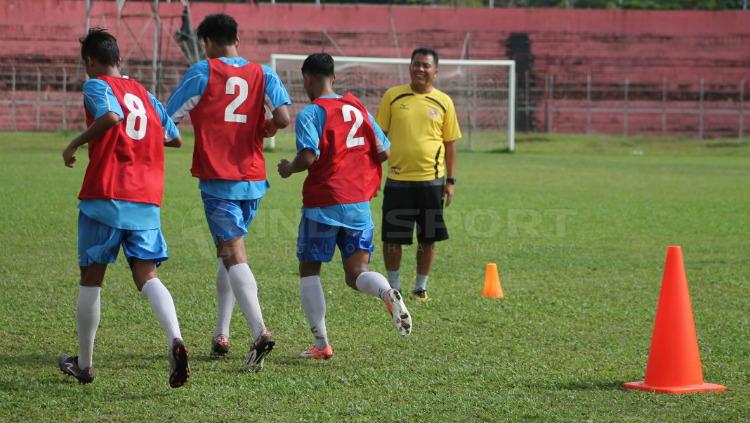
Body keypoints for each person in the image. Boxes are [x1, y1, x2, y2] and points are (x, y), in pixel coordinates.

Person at [58, 28, 189, 388]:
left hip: (106, 194)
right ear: (120, 58)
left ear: (90, 61)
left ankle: (84, 365)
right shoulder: (146, 94)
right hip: (146, 198)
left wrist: (74, 144)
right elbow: (174, 138)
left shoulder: (97, 86)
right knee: (147, 275)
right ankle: (176, 339)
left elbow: (111, 117)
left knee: (92, 278)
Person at [166, 13, 291, 372]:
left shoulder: (202, 72)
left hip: (219, 180)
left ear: (206, 42)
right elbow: (283, 117)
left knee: (234, 253)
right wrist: (264, 128)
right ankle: (222, 332)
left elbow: (166, 118)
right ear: (236, 37)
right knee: (227, 250)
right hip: (253, 179)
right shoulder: (264, 73)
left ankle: (259, 332)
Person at [277, 53, 412, 361]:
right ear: (334, 78)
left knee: (310, 270)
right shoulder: (357, 107)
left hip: (323, 203)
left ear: (307, 79)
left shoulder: (311, 113)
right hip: (358, 204)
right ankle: (385, 292)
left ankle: (322, 344)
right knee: (357, 273)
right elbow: (385, 152)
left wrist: (289, 168)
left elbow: (309, 156)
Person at [376, 47, 461, 301]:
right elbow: (379, 138)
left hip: (431, 181)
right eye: (416, 64)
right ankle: (394, 287)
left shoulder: (444, 101)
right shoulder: (392, 96)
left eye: (426, 65)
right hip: (397, 180)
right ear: (410, 66)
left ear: (436, 71)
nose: (420, 69)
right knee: (393, 238)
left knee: (428, 238)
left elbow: (450, 144)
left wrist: (451, 182)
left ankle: (420, 287)